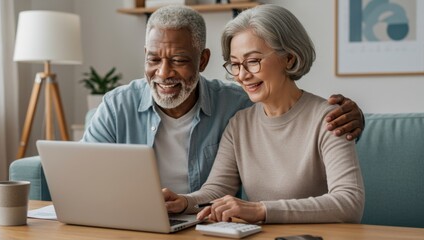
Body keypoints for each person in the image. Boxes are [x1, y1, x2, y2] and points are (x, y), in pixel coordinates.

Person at [82, 6, 364, 195]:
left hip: (205, 226)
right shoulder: (117, 105)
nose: (163, 73)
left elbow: (292, 115)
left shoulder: (239, 104)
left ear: (203, 60)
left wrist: (354, 119)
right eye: (153, 59)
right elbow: (81, 175)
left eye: (179, 60)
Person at [162, 5, 364, 224]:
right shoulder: (239, 124)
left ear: (288, 58)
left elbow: (349, 202)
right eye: (236, 64)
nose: (242, 75)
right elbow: (217, 189)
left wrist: (261, 210)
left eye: (253, 61)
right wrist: (184, 202)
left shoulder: (330, 119)